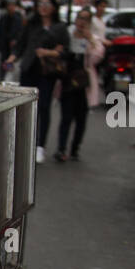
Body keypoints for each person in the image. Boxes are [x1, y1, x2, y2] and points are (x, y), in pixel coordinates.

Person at [5, 0, 68, 163]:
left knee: (44, 107)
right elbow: (21, 45)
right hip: (29, 68)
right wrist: (12, 58)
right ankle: (24, 144)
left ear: (54, 7)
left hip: (47, 72)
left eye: (47, 3)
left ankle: (40, 146)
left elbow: (64, 51)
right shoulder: (31, 24)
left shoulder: (60, 27)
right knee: (25, 107)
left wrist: (49, 52)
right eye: (41, 3)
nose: (43, 6)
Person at [53, 8, 104, 162]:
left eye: (85, 19)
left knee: (81, 119)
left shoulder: (93, 39)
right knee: (66, 117)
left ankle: (75, 148)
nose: (81, 22)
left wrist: (91, 41)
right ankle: (61, 149)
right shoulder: (67, 35)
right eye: (79, 18)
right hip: (67, 82)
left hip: (84, 84)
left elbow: (98, 57)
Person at [0, 0, 24, 78]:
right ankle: (3, 76)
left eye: (12, 6)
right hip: (4, 43)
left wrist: (16, 40)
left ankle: (8, 76)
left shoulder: (18, 18)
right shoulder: (3, 17)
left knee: (11, 60)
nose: (10, 7)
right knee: (3, 59)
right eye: (9, 5)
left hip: (13, 44)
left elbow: (20, 31)